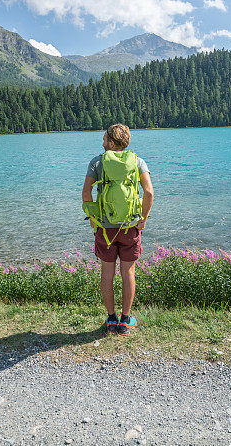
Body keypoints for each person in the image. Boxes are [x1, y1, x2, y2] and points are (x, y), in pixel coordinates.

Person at [82, 124, 153, 335]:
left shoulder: (97, 162)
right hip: (130, 226)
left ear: (112, 143)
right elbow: (148, 193)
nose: (102, 143)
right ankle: (125, 320)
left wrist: (94, 218)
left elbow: (86, 193)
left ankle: (111, 319)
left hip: (105, 229)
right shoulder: (138, 162)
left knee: (107, 273)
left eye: (105, 140)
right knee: (128, 272)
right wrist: (143, 219)